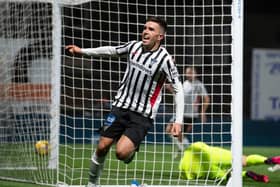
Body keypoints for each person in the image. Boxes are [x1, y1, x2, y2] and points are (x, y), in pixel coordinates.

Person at [65, 16, 184, 187]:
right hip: (120, 107)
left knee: (121, 153)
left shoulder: (165, 59)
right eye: (145, 27)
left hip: (142, 115)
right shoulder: (133, 47)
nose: (145, 31)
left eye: (151, 29)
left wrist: (178, 121)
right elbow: (110, 51)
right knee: (102, 147)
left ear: (160, 36)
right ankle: (92, 184)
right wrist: (82, 51)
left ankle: (129, 152)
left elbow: (178, 89)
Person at [179, 142, 280, 183]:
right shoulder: (192, 147)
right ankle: (267, 160)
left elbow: (188, 177)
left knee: (228, 176)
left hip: (203, 170)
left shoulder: (182, 168)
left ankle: (246, 174)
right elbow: (201, 145)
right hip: (212, 154)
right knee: (244, 160)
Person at [166, 66, 210, 155]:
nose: (189, 75)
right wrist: (171, 90)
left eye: (191, 72)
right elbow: (180, 97)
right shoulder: (185, 83)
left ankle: (186, 150)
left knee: (176, 133)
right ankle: (184, 150)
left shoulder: (198, 85)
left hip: (190, 114)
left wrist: (202, 112)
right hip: (180, 113)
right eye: (187, 73)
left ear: (195, 74)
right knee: (171, 131)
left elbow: (206, 98)